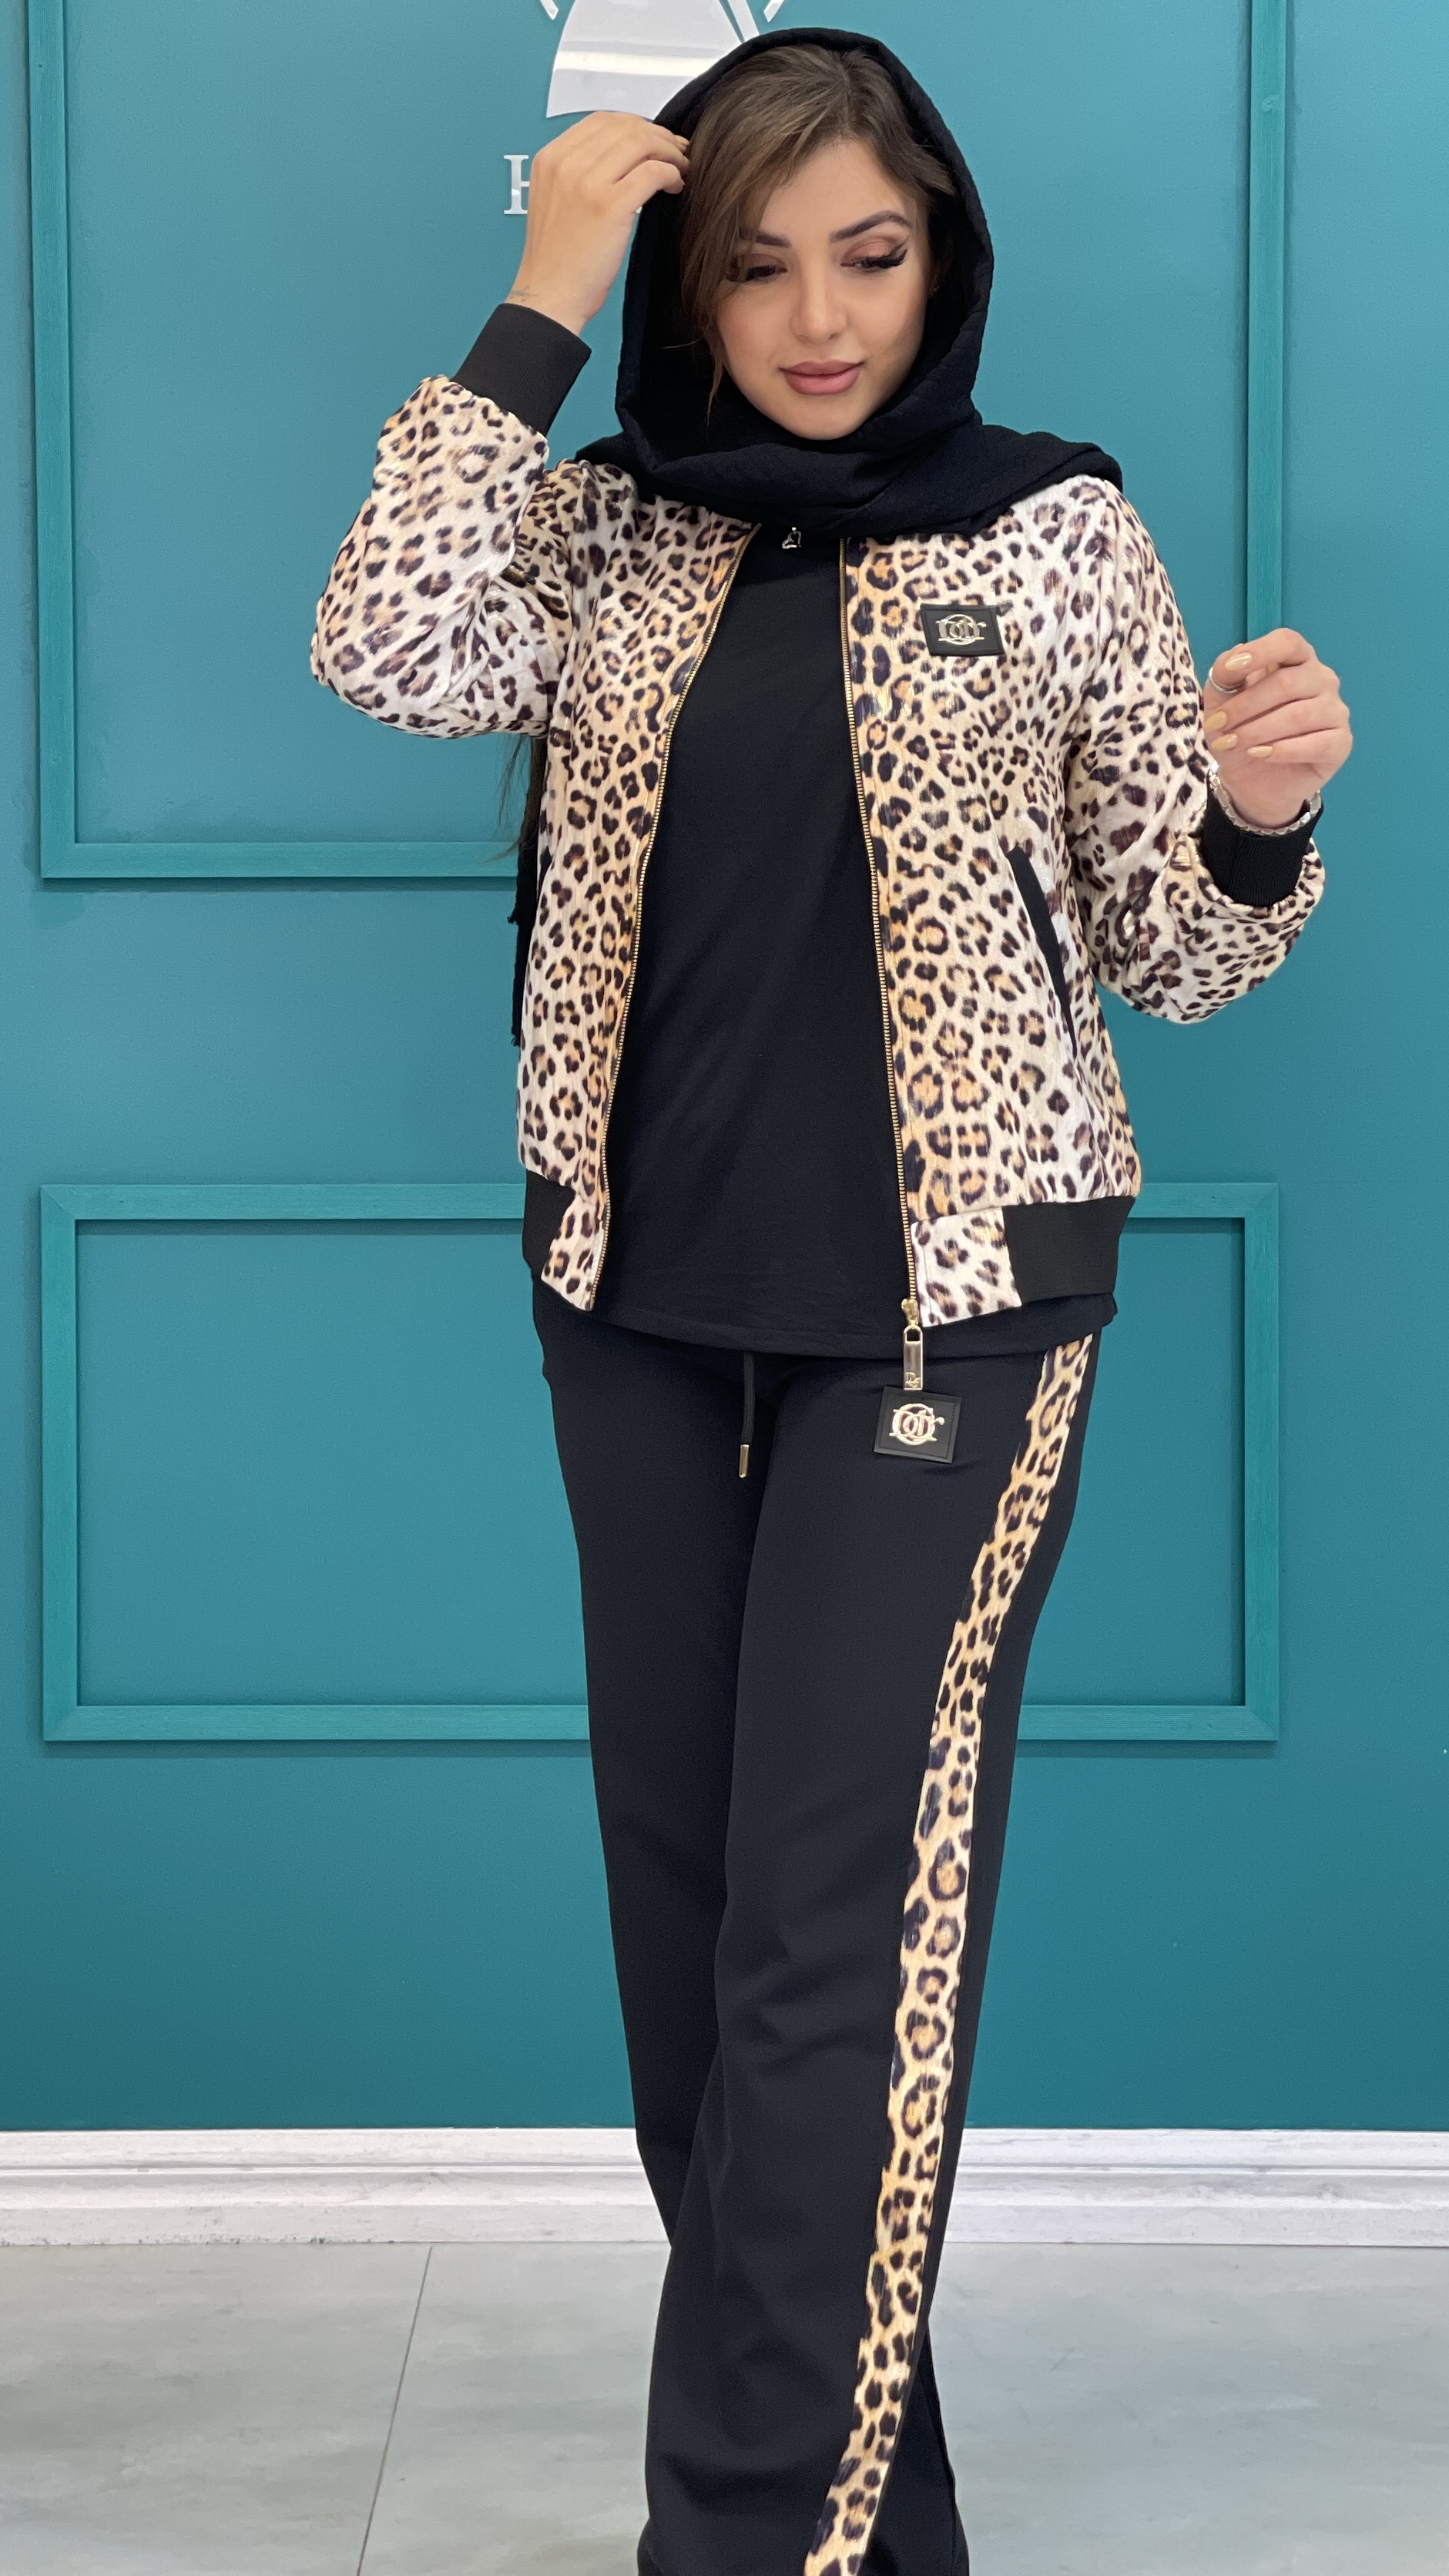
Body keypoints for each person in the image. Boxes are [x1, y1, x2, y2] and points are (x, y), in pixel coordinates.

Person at [311, 30, 1350, 2576]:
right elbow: (386, 642)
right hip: (635, 1300)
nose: (815, 319)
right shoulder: (603, 529)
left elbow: (1169, 948)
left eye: (867, 258)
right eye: (755, 265)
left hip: (955, 1313)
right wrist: (551, 279)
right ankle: (866, 2528)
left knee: (828, 1941)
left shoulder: (1054, 529)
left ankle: (743, 2540)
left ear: (940, 257)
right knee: (693, 1947)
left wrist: (1252, 812)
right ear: (690, 283)